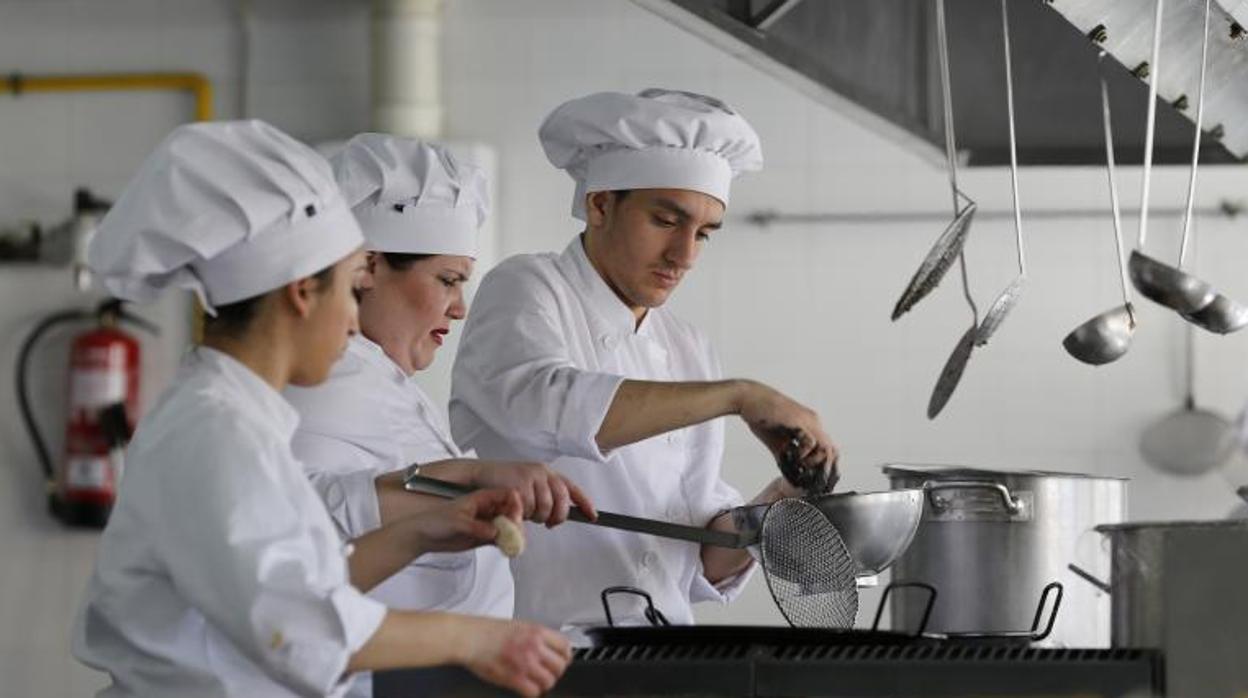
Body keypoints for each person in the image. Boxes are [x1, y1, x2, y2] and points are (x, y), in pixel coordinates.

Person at [72, 120, 570, 697]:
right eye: (350, 289)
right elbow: (298, 631)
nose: (355, 319)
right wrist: (477, 640)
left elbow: (308, 587)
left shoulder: (237, 418)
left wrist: (428, 530)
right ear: (302, 292)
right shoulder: (214, 431)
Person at [449, 89, 839, 631]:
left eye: (703, 233)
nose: (684, 255)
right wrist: (739, 396)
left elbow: (700, 549)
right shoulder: (528, 287)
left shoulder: (688, 347)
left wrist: (783, 498)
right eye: (665, 220)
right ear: (600, 204)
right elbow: (546, 408)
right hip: (540, 650)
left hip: (659, 654)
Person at [284, 133, 595, 697]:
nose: (460, 306)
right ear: (367, 269)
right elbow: (302, 538)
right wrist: (466, 481)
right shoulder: (329, 382)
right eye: (448, 280)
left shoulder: (379, 380)